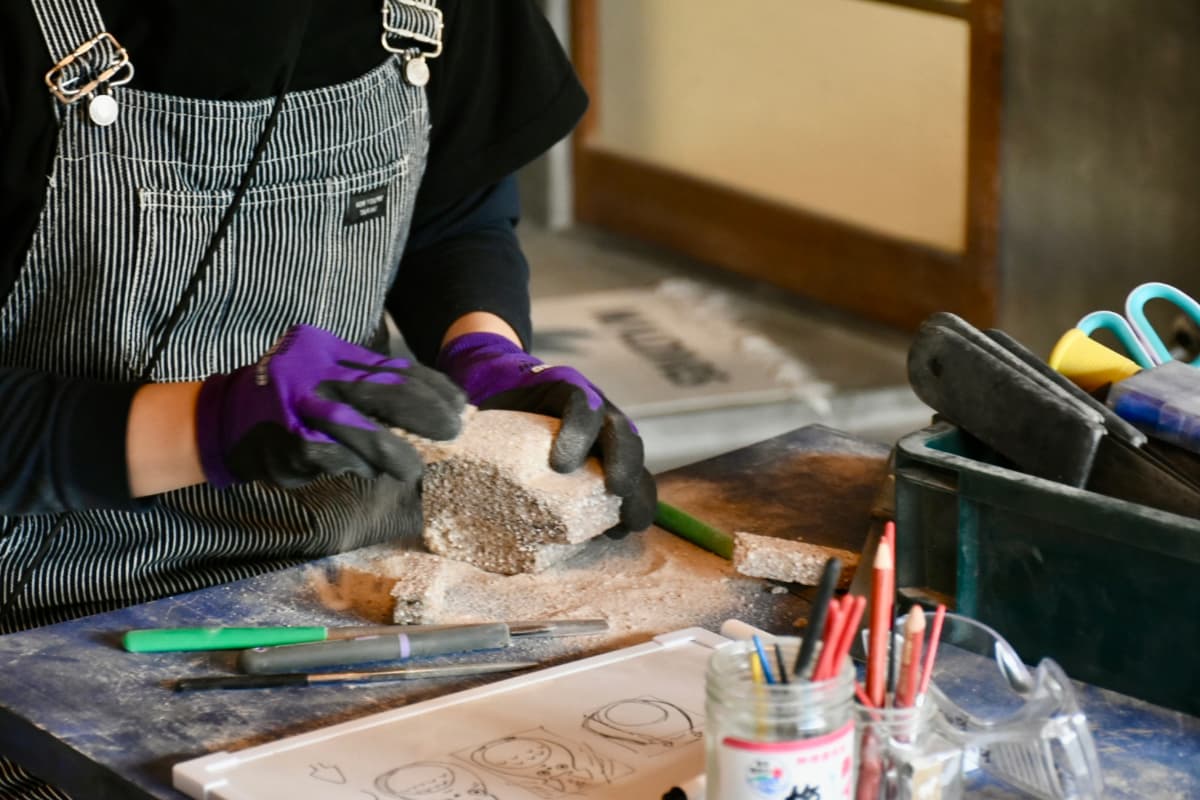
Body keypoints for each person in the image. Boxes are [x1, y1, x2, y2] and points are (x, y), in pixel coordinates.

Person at [0, 1, 656, 795]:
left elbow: (452, 208)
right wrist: (209, 423)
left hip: (350, 576)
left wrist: (487, 350)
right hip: (47, 611)